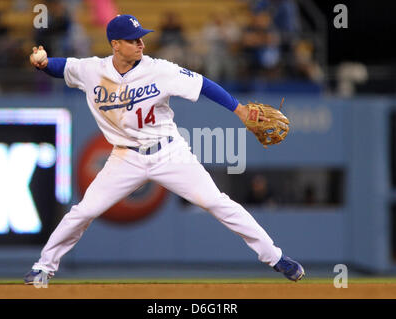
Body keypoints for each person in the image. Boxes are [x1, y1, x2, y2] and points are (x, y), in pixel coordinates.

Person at [24, 14, 304, 285]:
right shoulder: (92, 70)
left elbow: (203, 84)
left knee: (217, 202)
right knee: (83, 212)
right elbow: (62, 67)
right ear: (115, 44)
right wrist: (43, 63)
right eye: (134, 40)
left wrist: (240, 110)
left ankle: (276, 257)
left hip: (169, 152)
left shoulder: (160, 69)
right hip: (125, 157)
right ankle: (43, 267)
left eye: (141, 39)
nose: (141, 44)